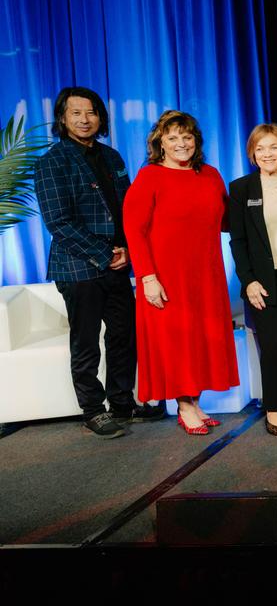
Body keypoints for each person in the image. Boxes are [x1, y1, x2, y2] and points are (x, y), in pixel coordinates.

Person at [33, 86, 165, 438]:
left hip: (119, 262)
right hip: (78, 267)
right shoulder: (51, 163)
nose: (84, 119)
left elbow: (129, 210)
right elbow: (58, 223)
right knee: (86, 340)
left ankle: (122, 402)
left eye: (91, 112)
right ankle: (93, 409)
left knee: (124, 335)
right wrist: (105, 254)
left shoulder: (112, 157)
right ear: (62, 118)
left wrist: (126, 249)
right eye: (76, 113)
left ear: (100, 117)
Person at [123, 110, 239, 434]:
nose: (181, 143)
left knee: (199, 340)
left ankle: (195, 402)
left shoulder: (211, 175)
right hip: (166, 276)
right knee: (176, 342)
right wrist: (147, 277)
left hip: (206, 275)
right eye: (172, 137)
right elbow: (134, 230)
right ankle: (184, 406)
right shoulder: (149, 177)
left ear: (196, 141)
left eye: (187, 137)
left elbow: (229, 220)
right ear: (160, 143)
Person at [228, 124, 277, 437]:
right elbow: (238, 241)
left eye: (273, 147)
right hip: (263, 281)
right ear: (252, 153)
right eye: (260, 148)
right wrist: (247, 280)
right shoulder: (241, 189)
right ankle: (273, 409)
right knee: (273, 345)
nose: (267, 154)